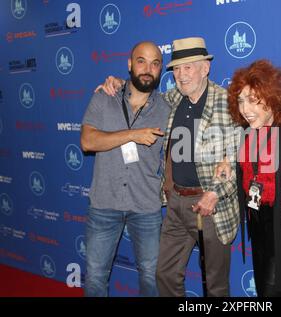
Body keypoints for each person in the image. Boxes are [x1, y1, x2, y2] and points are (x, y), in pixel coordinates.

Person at [98, 37, 240, 297]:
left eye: (188, 67)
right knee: (164, 274)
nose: (181, 75)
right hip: (175, 203)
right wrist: (121, 85)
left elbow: (238, 156)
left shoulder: (227, 101)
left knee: (215, 285)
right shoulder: (172, 99)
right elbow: (141, 95)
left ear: (205, 69)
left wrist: (216, 193)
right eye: (176, 68)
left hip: (210, 205)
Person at [80, 41, 170, 296]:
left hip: (146, 207)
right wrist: (132, 135)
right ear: (130, 64)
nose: (148, 69)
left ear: (161, 69)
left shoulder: (166, 108)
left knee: (152, 279)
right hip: (104, 204)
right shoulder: (103, 96)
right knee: (96, 278)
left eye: (155, 63)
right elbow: (88, 142)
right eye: (141, 61)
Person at [216, 60, 281, 296]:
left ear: (271, 96)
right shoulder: (249, 132)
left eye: (253, 100)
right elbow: (247, 171)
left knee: (275, 290)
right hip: (258, 222)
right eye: (241, 101)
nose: (245, 109)